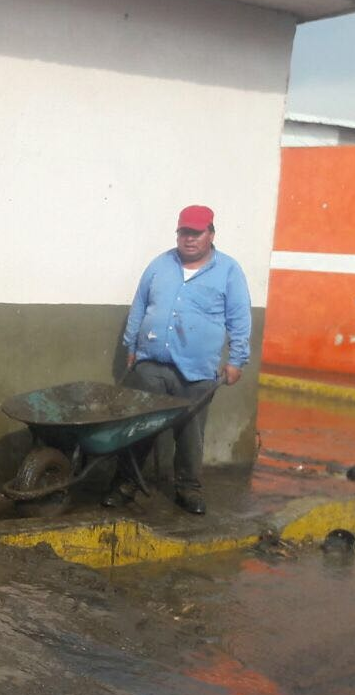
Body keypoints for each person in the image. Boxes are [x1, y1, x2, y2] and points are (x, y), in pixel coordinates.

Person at [106, 204, 252, 516]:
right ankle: (126, 484)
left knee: (190, 432)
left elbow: (239, 318)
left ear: (211, 234)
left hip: (197, 371)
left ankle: (188, 488)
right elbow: (140, 305)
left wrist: (237, 359)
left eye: (196, 233)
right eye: (184, 232)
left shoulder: (228, 271)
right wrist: (131, 344)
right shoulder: (160, 264)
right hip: (151, 363)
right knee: (137, 426)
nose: (189, 239)